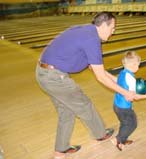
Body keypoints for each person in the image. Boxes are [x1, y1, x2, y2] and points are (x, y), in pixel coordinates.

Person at [35, 12, 136, 159]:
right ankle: (100, 135)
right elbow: (100, 77)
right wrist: (125, 93)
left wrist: (121, 82)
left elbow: (98, 70)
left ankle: (60, 151)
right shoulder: (92, 39)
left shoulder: (85, 30)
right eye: (112, 28)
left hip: (44, 73)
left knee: (67, 112)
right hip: (54, 77)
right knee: (84, 104)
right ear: (102, 25)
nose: (113, 31)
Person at [111, 51, 146, 151]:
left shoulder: (122, 72)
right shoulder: (131, 79)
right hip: (124, 107)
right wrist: (144, 96)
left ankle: (122, 139)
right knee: (132, 124)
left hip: (117, 104)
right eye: (138, 64)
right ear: (133, 65)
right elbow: (131, 97)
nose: (138, 66)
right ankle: (118, 140)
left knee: (125, 123)